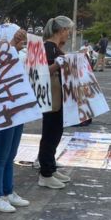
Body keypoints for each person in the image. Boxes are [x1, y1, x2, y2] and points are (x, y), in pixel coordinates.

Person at [0, 23, 30, 213]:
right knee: (0, 155)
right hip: (1, 112)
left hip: (17, 110)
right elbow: (0, 63)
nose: (21, 44)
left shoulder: (19, 56)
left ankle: (8, 190)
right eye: (16, 39)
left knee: (11, 154)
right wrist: (12, 44)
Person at [37, 16, 74, 190]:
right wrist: (59, 64)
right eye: (68, 31)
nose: (69, 35)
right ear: (62, 30)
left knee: (55, 133)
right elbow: (42, 72)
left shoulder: (54, 48)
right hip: (52, 97)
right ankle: (45, 173)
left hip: (57, 96)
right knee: (50, 134)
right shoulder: (48, 48)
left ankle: (50, 166)